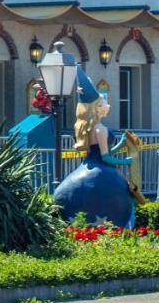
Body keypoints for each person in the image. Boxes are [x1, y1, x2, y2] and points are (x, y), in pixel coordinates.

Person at [53, 69, 136, 228]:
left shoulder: (89, 129)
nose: (106, 105)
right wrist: (126, 161)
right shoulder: (100, 129)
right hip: (102, 171)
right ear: (96, 108)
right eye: (103, 102)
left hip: (86, 166)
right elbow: (106, 157)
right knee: (126, 196)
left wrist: (121, 144)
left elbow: (101, 152)